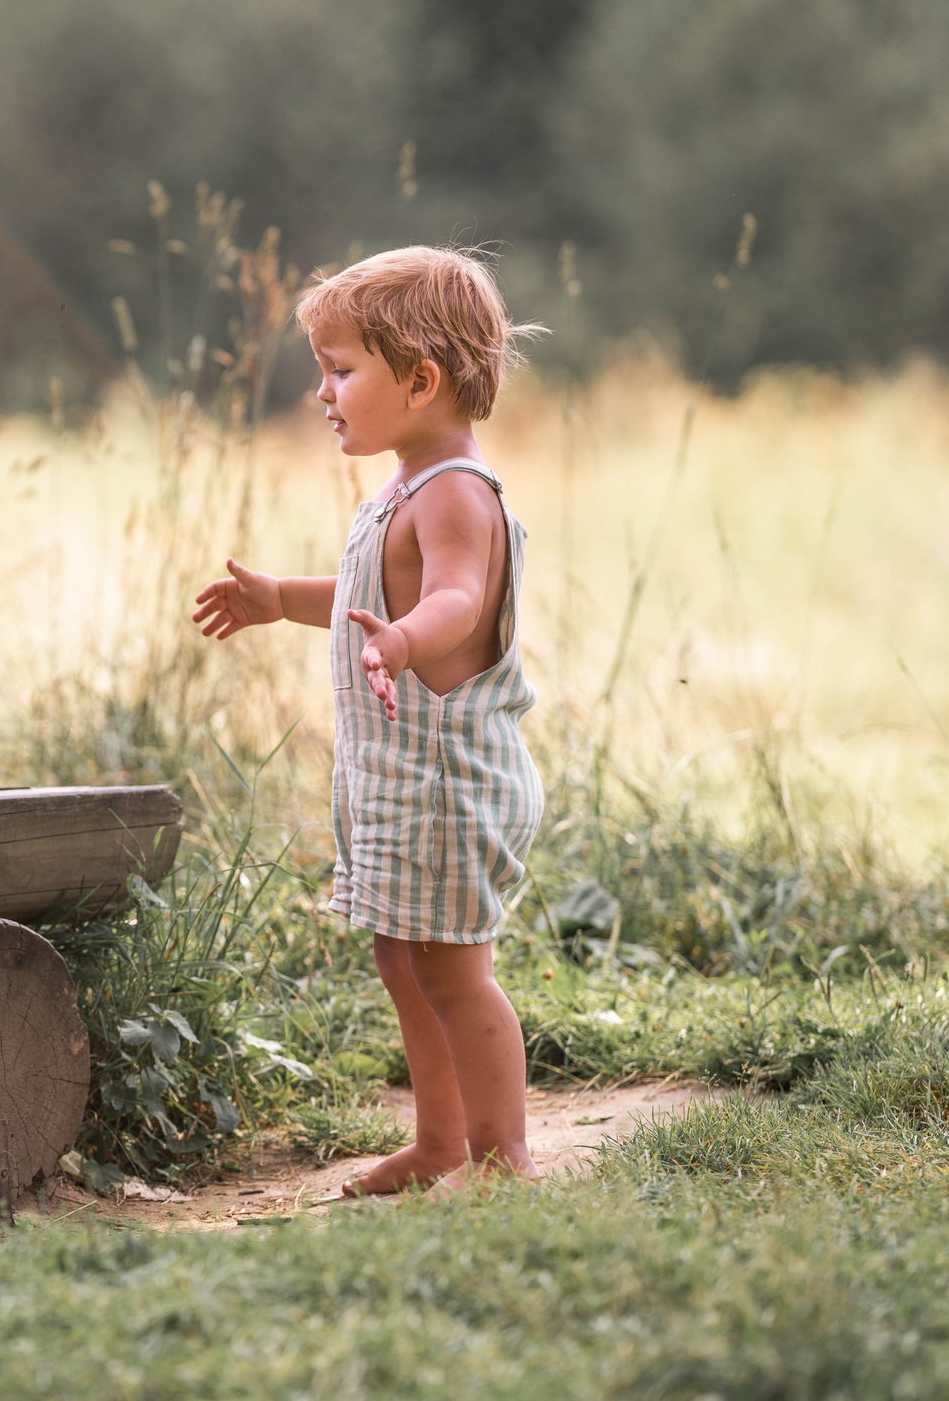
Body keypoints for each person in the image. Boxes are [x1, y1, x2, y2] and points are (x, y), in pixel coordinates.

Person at [192, 247, 547, 1193]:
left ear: (421, 379)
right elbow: (366, 590)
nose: (323, 391)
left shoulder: (459, 493)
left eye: (341, 369)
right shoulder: (400, 486)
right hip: (401, 783)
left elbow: (458, 601)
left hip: (446, 784)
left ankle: (504, 1151)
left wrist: (400, 642)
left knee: (456, 972)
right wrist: (279, 598)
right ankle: (439, 1142)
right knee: (405, 958)